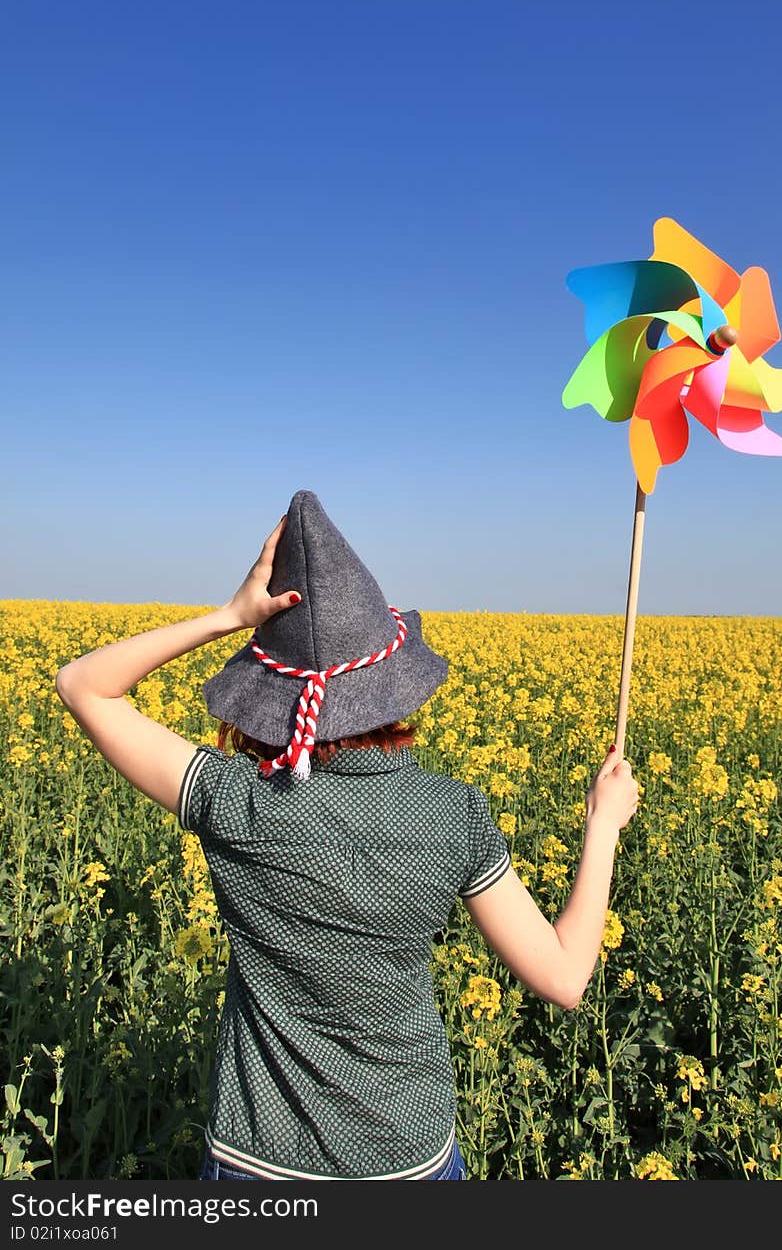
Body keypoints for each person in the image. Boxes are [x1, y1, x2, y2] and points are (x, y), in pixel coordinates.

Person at [54, 490, 639, 1181]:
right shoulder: (453, 814)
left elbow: (82, 685)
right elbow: (566, 978)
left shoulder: (236, 799)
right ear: (393, 685)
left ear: (269, 696)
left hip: (260, 1162)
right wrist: (601, 825)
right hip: (409, 1161)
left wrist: (227, 618)